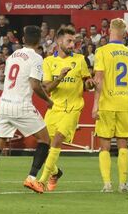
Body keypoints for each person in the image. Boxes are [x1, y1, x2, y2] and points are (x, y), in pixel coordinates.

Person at [0, 25, 54, 194]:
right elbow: (35, 84)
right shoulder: (36, 58)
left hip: (4, 103)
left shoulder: (12, 56)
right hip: (21, 105)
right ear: (39, 40)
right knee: (45, 140)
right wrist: (48, 100)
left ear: (24, 39)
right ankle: (32, 178)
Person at [38, 26, 94, 191]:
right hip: (55, 108)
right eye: (69, 41)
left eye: (74, 42)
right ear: (59, 41)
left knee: (57, 139)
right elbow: (46, 88)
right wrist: (60, 77)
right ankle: (55, 172)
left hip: (73, 108)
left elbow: (87, 80)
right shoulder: (48, 61)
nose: (72, 45)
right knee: (44, 147)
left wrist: (89, 83)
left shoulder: (80, 60)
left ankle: (41, 181)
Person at [91, 18, 128, 192]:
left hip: (107, 102)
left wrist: (95, 104)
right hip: (124, 102)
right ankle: (123, 184)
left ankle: (107, 184)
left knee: (105, 144)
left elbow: (99, 79)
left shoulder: (102, 51)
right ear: (124, 33)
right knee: (123, 143)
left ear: (110, 30)